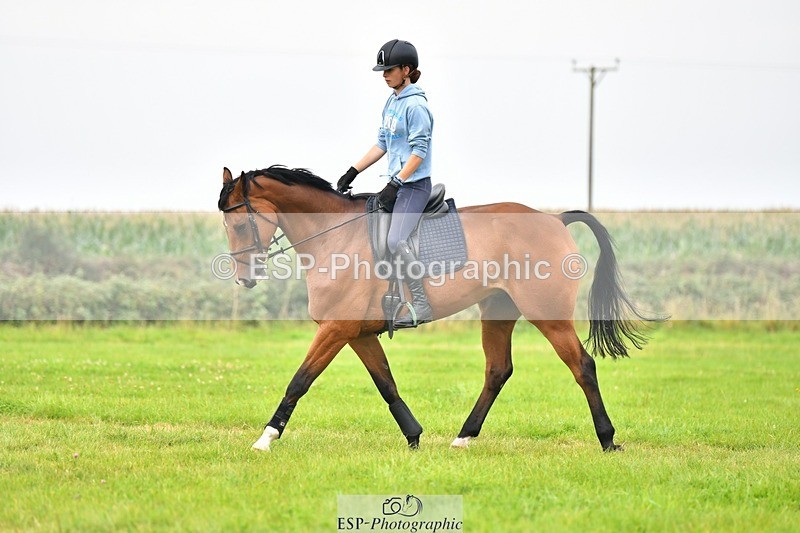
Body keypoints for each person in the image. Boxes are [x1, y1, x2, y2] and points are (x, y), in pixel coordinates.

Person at [337, 39, 433, 327]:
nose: (384, 74)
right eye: (383, 69)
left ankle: (422, 304)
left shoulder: (416, 106)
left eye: (389, 69)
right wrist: (353, 170)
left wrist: (396, 182)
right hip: (395, 184)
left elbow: (420, 151)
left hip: (413, 187)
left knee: (395, 239)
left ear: (406, 70)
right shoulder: (392, 102)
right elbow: (382, 144)